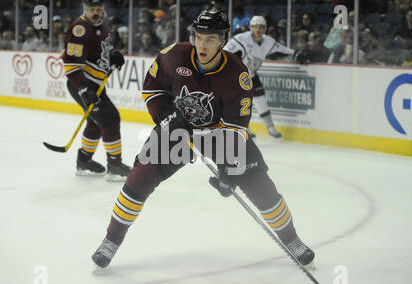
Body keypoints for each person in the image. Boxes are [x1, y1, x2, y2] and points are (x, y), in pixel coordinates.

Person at [91, 10, 315, 269]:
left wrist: (230, 171)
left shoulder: (238, 76)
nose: (202, 44)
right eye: (198, 37)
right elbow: (152, 86)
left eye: (210, 39)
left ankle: (293, 241)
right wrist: (165, 116)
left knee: (261, 186)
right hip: (177, 129)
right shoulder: (174, 55)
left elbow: (235, 129)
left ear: (222, 41)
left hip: (220, 135)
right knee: (138, 181)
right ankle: (110, 241)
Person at [62, 0, 131, 181]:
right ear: (84, 9)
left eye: (99, 9)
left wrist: (113, 55)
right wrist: (84, 89)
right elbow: (71, 65)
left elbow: (101, 49)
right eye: (92, 9)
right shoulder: (80, 29)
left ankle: (84, 161)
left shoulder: (103, 24)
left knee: (95, 122)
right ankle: (115, 166)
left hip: (94, 84)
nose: (95, 13)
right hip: (82, 84)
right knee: (110, 119)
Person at [223, 16, 296, 139]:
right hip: (236, 77)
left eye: (261, 27)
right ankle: (245, 128)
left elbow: (284, 51)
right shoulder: (241, 39)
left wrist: (296, 53)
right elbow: (224, 54)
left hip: (251, 75)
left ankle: (271, 128)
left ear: (265, 28)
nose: (258, 29)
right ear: (251, 27)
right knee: (241, 104)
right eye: (255, 27)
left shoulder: (268, 41)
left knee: (261, 100)